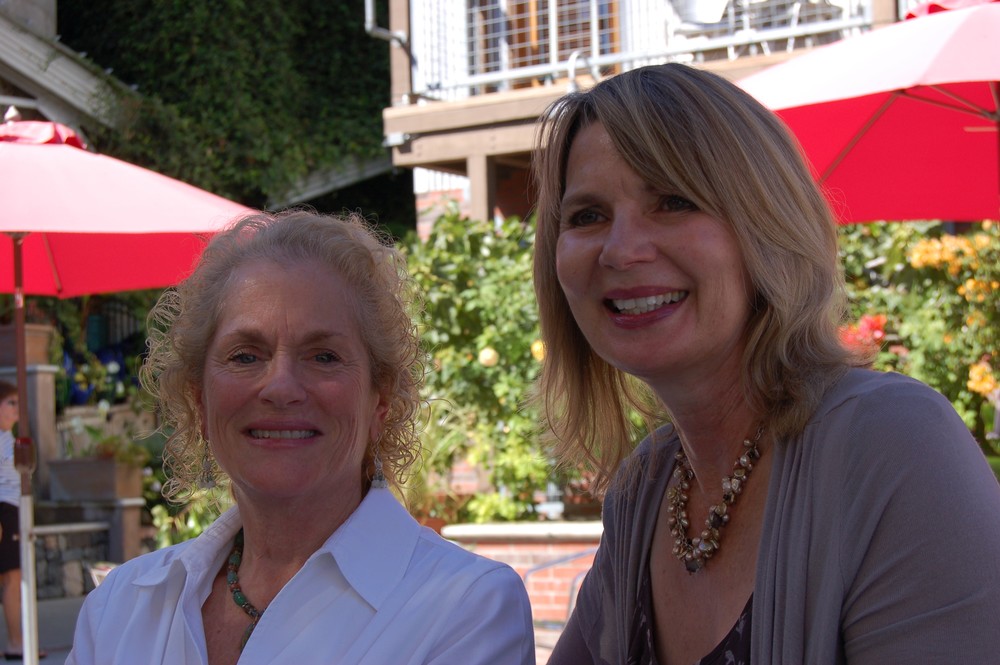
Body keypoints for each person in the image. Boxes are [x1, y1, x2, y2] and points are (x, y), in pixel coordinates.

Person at [531, 63, 1000, 664]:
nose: (621, 250)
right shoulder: (646, 487)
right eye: (587, 216)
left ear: (767, 227)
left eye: (674, 201)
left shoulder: (895, 445)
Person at [67, 210, 535, 665]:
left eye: (324, 356)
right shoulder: (120, 609)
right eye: (245, 356)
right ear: (199, 401)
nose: (281, 387)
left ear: (380, 402)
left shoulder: (467, 609)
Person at [0, 380, 44, 662]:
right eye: (10, 402)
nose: (17, 408)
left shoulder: (7, 436)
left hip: (13, 509)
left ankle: (17, 641)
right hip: (5, 510)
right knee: (13, 579)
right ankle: (16, 642)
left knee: (14, 579)